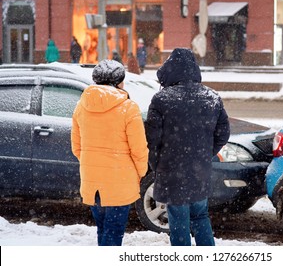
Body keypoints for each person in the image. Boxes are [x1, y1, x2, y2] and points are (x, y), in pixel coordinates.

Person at [145, 48, 230, 246]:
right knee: (201, 216)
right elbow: (223, 133)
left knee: (179, 221)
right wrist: (205, 153)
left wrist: (157, 163)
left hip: (171, 171)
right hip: (199, 170)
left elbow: (152, 138)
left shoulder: (161, 99)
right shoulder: (212, 97)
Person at [71, 59, 149, 246]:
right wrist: (140, 172)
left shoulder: (81, 106)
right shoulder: (128, 107)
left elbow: (76, 147)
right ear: (119, 82)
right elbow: (138, 149)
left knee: (102, 229)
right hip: (120, 181)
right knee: (114, 232)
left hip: (92, 182)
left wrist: (92, 163)